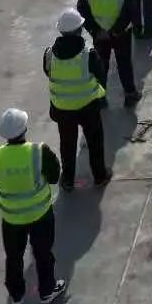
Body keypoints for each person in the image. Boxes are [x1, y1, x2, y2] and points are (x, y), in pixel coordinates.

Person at [0, 107, 68, 304]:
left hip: (11, 218)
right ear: (24, 129)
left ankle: (16, 295)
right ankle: (47, 291)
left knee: (13, 257)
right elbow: (54, 176)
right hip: (39, 214)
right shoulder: (39, 151)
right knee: (43, 254)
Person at [45, 10, 110, 188]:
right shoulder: (89, 54)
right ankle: (100, 176)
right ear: (79, 30)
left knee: (67, 145)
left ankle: (67, 180)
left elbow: (48, 73)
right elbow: (101, 75)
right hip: (88, 107)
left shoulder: (49, 54)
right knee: (95, 142)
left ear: (61, 31)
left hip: (62, 110)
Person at [77, 0, 141, 107]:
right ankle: (130, 94)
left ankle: (100, 98)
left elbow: (82, 11)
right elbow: (130, 13)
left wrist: (96, 30)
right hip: (121, 35)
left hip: (99, 36)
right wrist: (116, 30)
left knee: (101, 67)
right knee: (124, 64)